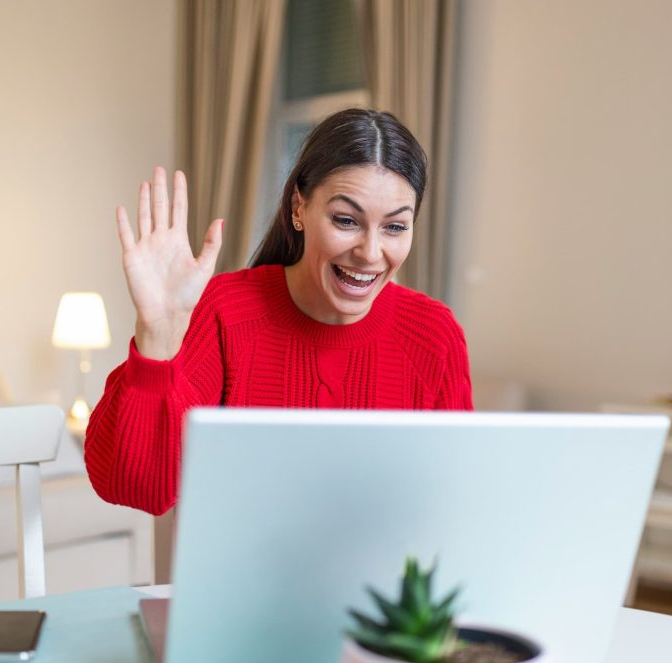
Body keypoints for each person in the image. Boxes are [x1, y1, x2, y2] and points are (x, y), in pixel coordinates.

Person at [85, 109, 473, 514]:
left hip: (380, 579)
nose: (371, 253)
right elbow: (137, 490)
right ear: (298, 208)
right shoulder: (227, 312)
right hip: (244, 578)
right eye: (346, 220)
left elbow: (454, 504)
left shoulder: (434, 334)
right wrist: (157, 337)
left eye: (394, 227)